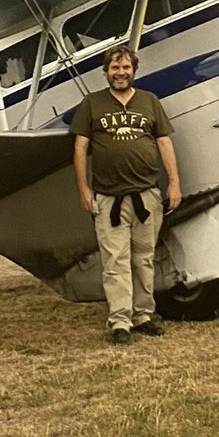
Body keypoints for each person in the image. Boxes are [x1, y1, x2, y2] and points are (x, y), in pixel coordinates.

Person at [70, 45, 182, 345]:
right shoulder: (92, 104)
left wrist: (174, 183)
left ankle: (143, 315)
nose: (120, 73)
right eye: (114, 68)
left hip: (146, 195)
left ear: (134, 70)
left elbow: (164, 143)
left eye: (126, 68)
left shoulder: (149, 102)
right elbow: (80, 148)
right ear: (106, 72)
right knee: (115, 261)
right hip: (109, 199)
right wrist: (84, 189)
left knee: (144, 258)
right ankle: (120, 321)